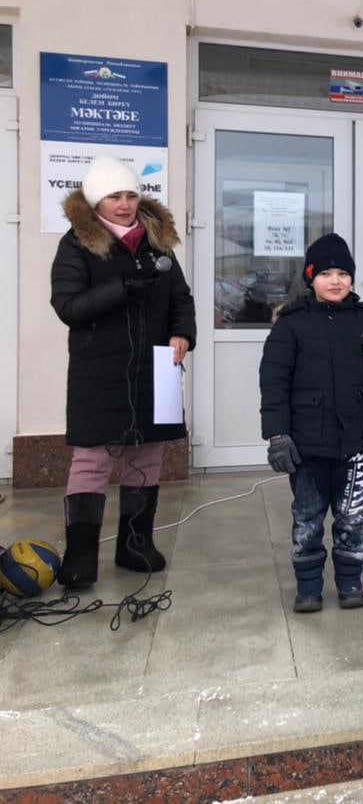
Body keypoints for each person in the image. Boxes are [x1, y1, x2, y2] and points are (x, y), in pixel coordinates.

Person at [50, 155, 197, 588]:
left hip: (156, 366)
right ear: (97, 201)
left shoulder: (158, 241)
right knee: (92, 458)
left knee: (147, 453)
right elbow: (68, 307)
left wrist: (182, 334)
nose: (125, 203)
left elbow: (181, 299)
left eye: (131, 194)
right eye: (114, 196)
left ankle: (135, 544)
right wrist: (121, 288)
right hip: (100, 369)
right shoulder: (76, 244)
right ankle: (80, 556)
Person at [259, 233, 363, 612]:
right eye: (325, 274)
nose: (335, 281)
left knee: (352, 517)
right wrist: (277, 435)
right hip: (307, 444)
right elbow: (273, 383)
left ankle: (350, 582)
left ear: (352, 278)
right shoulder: (290, 324)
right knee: (307, 518)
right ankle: (308, 586)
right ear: (310, 277)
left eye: (342, 273)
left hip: (356, 442)